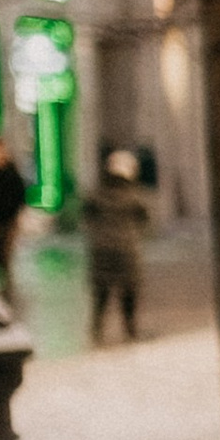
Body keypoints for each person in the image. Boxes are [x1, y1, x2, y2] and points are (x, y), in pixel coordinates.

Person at [83, 147, 151, 344]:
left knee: (101, 294)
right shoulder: (134, 196)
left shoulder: (97, 194)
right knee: (128, 293)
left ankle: (97, 330)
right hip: (127, 250)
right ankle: (130, 330)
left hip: (101, 250)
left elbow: (88, 215)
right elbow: (145, 219)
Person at [0, 138, 27, 305]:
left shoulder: (11, 172)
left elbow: (19, 194)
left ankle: (6, 290)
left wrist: (14, 214)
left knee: (4, 256)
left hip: (8, 222)